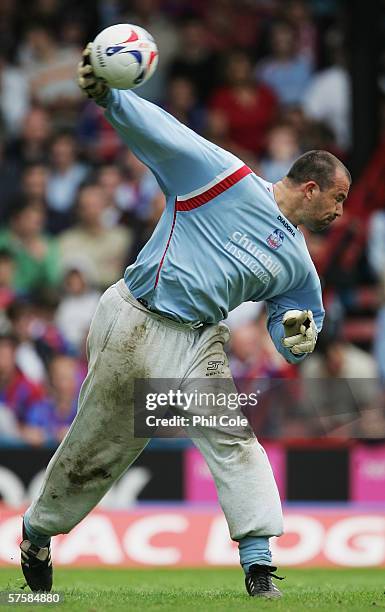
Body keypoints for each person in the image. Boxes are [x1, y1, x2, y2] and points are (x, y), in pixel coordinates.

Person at [20, 44, 351, 597]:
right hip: (137, 319)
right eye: (337, 200)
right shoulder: (224, 178)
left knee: (233, 436)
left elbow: (296, 324)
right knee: (100, 450)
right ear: (311, 188)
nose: (340, 213)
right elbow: (167, 132)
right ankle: (37, 533)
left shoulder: (298, 262)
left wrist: (296, 337)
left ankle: (259, 563)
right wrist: (110, 95)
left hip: (200, 340)